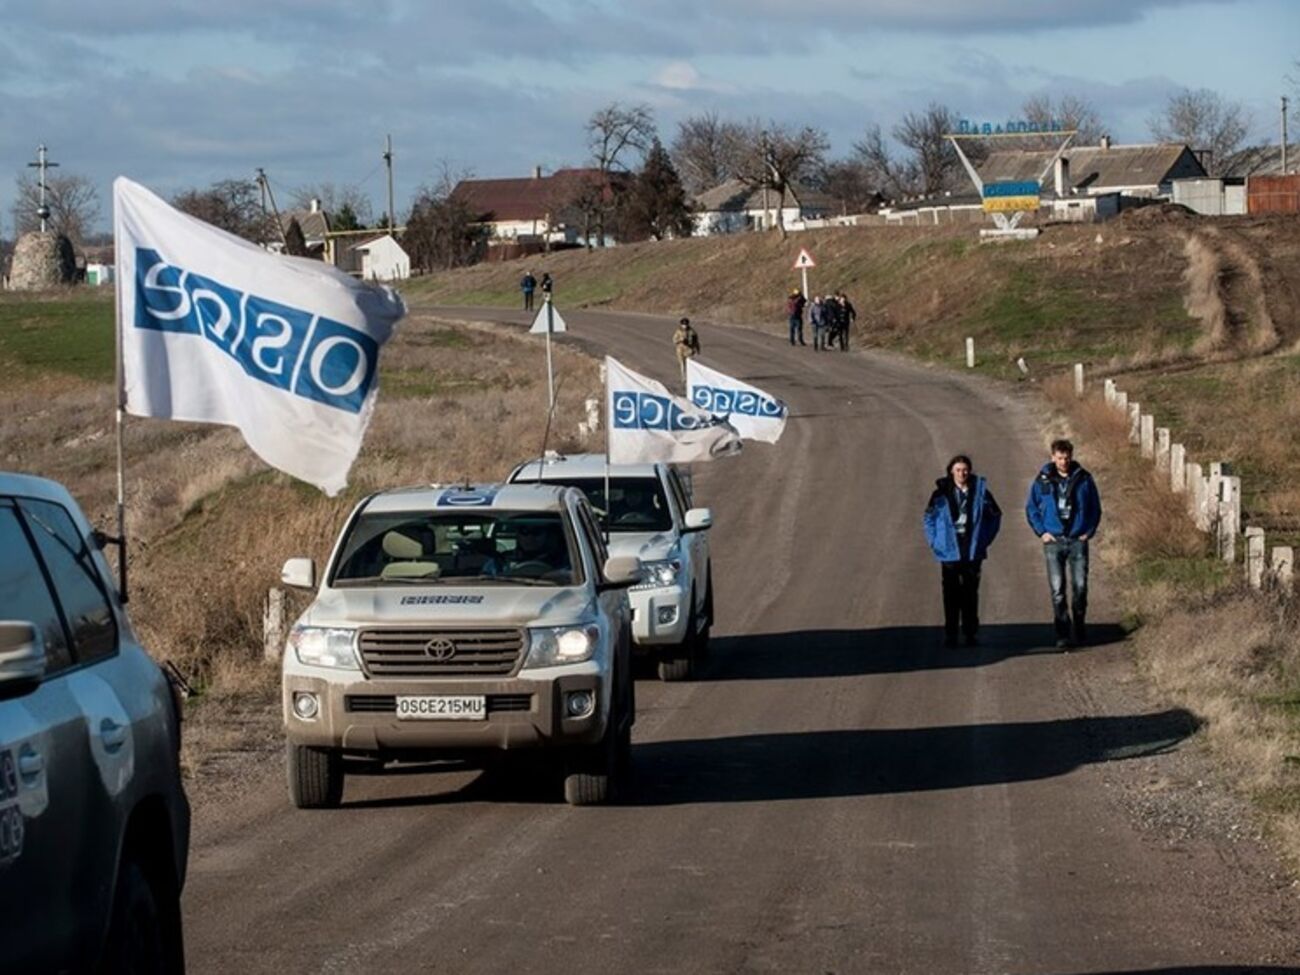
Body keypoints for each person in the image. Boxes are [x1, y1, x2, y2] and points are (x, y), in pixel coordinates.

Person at [1025, 438, 1102, 649]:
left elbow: (1095, 507)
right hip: (1054, 541)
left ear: (1071, 457)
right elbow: (1031, 508)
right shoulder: (1042, 480)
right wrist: (1042, 532)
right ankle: (1063, 633)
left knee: (1080, 587)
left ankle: (1079, 623)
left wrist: (1089, 531)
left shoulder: (1084, 479)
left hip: (1077, 540)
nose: (1064, 462)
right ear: (1053, 457)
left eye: (1067, 458)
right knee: (1057, 590)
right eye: (1060, 458)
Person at [924, 455, 1002, 647]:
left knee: (970, 594)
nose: (962, 473)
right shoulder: (940, 494)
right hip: (949, 552)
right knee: (950, 595)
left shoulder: (981, 493)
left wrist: (984, 540)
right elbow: (929, 518)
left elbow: (995, 516)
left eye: (965, 470)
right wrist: (935, 542)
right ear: (951, 471)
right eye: (958, 470)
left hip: (972, 552)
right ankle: (951, 634)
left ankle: (970, 633)